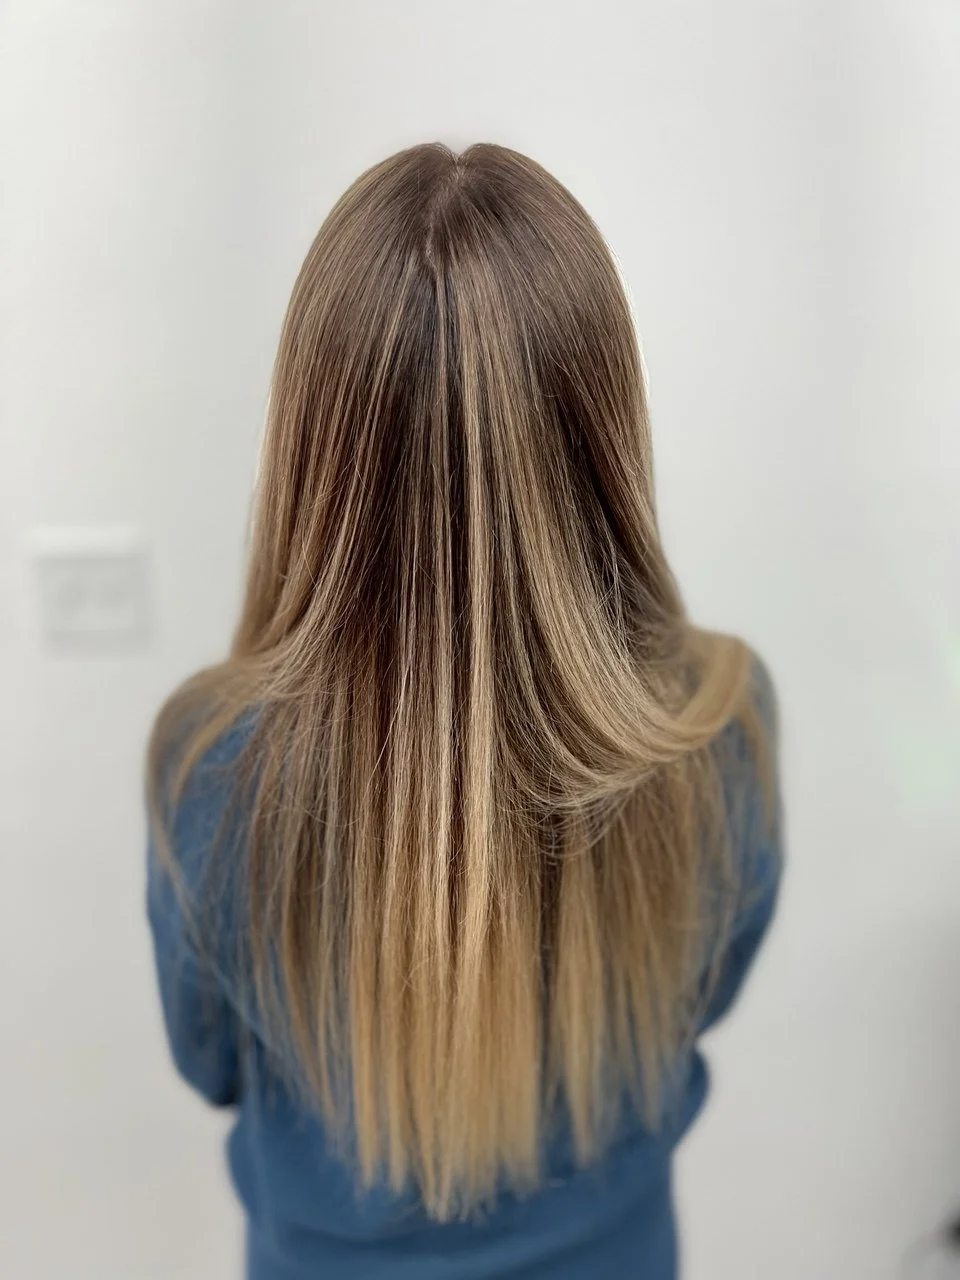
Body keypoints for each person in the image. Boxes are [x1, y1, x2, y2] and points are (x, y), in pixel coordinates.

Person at [146, 142, 782, 1280]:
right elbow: (703, 995)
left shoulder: (211, 763)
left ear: (312, 445)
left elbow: (210, 1061)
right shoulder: (719, 721)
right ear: (601, 429)